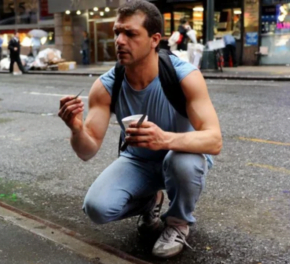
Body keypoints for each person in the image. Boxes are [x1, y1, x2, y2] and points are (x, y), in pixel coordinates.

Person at [58, 0, 222, 258]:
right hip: (138, 160)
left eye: (131, 34)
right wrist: (76, 128)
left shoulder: (184, 76)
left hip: (180, 155)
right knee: (96, 208)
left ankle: (178, 223)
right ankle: (151, 201)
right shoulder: (106, 85)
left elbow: (214, 141)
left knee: (184, 162)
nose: (120, 41)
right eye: (117, 33)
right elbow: (87, 151)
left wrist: (164, 139)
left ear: (154, 39)